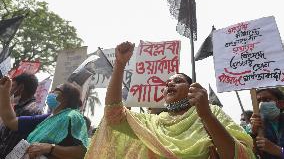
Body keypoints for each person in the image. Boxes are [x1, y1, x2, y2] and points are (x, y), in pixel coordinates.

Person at [85, 41, 255, 159]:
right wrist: (120, 65)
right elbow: (113, 113)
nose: (170, 84)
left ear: (192, 88)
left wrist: (206, 116)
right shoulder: (153, 122)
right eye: (167, 83)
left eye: (178, 81)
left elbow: (237, 155)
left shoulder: (211, 113)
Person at [0, 78, 89, 159]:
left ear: (66, 97)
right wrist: (4, 91)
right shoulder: (48, 118)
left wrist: (50, 148)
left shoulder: (73, 116)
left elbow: (82, 152)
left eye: (56, 90)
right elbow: (11, 121)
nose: (51, 92)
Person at [0, 73, 42, 158]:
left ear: (21, 88)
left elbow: (8, 140)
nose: (9, 89)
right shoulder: (20, 107)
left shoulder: (28, 110)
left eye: (12, 86)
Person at [251, 88, 284, 159]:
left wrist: (278, 150)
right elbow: (254, 153)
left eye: (267, 100)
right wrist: (254, 133)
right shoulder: (258, 125)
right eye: (258, 101)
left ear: (281, 103)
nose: (261, 104)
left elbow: (276, 150)